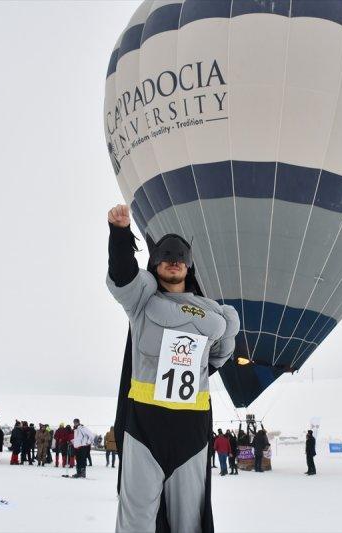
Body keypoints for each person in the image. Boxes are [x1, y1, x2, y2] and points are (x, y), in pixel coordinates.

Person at [107, 204, 239, 532]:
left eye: (180, 255)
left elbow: (216, 360)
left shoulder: (214, 315)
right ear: (155, 262)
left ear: (189, 264)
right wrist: (120, 234)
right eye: (166, 254)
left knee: (189, 520)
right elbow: (123, 275)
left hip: (191, 429)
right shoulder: (143, 299)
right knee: (136, 516)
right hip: (145, 425)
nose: (174, 260)